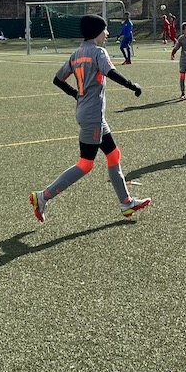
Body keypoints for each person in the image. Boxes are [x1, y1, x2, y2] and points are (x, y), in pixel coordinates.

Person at [29, 14, 150, 222]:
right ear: (96, 31)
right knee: (86, 164)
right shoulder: (98, 52)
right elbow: (111, 72)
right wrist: (132, 85)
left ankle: (126, 202)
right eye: (105, 29)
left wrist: (76, 94)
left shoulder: (77, 53)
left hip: (90, 114)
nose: (107, 33)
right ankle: (43, 196)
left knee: (114, 155)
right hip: (93, 116)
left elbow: (58, 79)